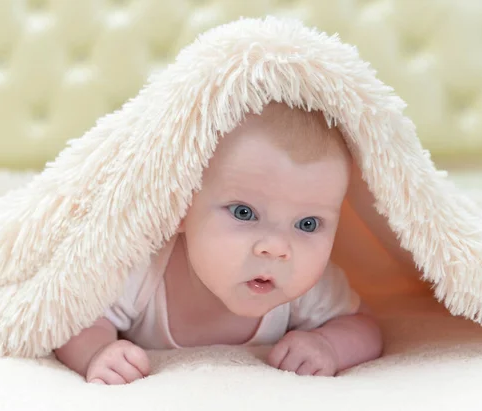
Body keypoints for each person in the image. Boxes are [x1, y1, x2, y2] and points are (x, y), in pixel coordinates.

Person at [54, 102, 383, 384]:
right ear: (181, 208)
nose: (276, 248)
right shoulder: (142, 269)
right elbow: (75, 318)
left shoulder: (307, 287)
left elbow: (364, 325)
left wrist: (328, 345)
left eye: (307, 224)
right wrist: (97, 352)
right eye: (244, 212)